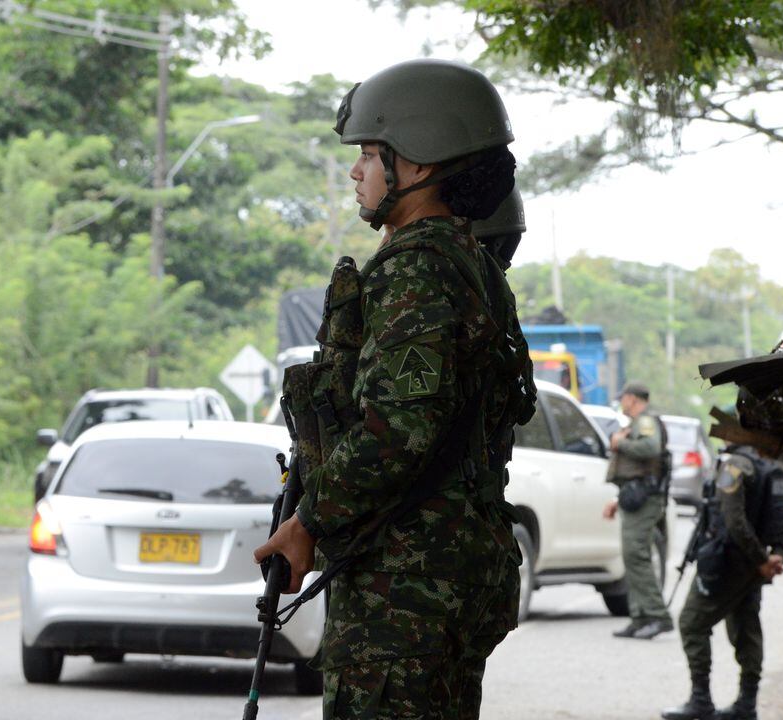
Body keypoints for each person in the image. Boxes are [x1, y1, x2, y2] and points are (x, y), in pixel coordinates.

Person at [255, 58, 535, 719]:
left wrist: (308, 523)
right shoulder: (470, 263)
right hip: (449, 568)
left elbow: (396, 433)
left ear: (418, 164)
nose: (356, 172)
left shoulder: (416, 274)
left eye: (370, 155)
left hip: (407, 579)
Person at [661, 442, 783, 720]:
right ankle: (746, 705)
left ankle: (701, 700)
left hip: (727, 564)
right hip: (753, 570)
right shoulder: (774, 468)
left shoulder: (734, 466)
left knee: (691, 623)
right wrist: (776, 556)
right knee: (747, 630)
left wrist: (762, 560)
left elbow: (733, 519)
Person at [602, 381, 673, 639]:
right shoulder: (635, 423)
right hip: (634, 496)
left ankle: (658, 615)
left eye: (624, 398)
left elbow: (650, 448)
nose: (622, 402)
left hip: (645, 497)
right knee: (632, 557)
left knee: (637, 556)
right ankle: (639, 617)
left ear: (632, 398)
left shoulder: (645, 422)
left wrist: (620, 444)